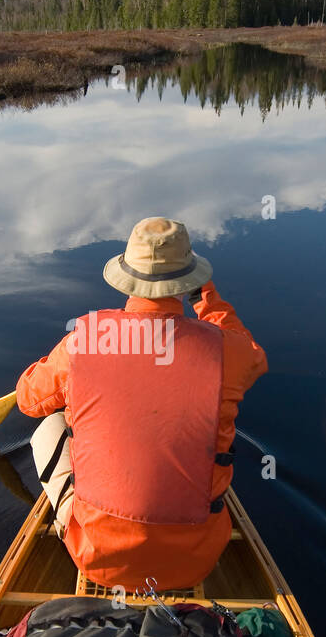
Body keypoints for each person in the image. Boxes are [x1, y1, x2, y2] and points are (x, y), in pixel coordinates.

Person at [16, 217, 267, 591]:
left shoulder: (85, 339)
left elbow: (27, 400)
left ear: (125, 276)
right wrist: (208, 300)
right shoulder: (231, 352)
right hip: (196, 561)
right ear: (189, 280)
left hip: (98, 559)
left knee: (49, 427)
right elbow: (252, 355)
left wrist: (66, 370)